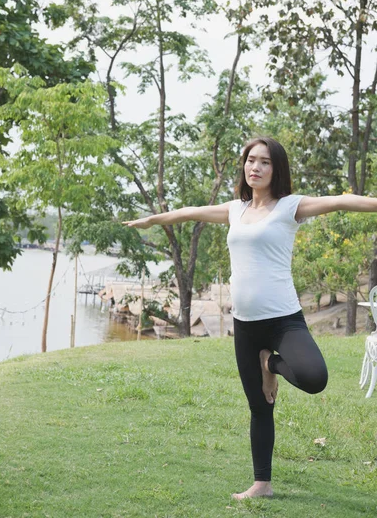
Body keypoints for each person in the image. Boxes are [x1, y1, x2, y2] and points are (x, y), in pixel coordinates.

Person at [122, 136, 377, 500]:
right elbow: (190, 211)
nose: (254, 167)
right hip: (245, 325)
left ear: (277, 169)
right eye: (250, 160)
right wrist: (154, 219)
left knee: (314, 377)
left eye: (264, 162)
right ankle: (262, 484)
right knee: (260, 407)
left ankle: (269, 363)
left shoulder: (290, 207)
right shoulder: (233, 210)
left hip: (283, 319)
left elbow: (341, 201)